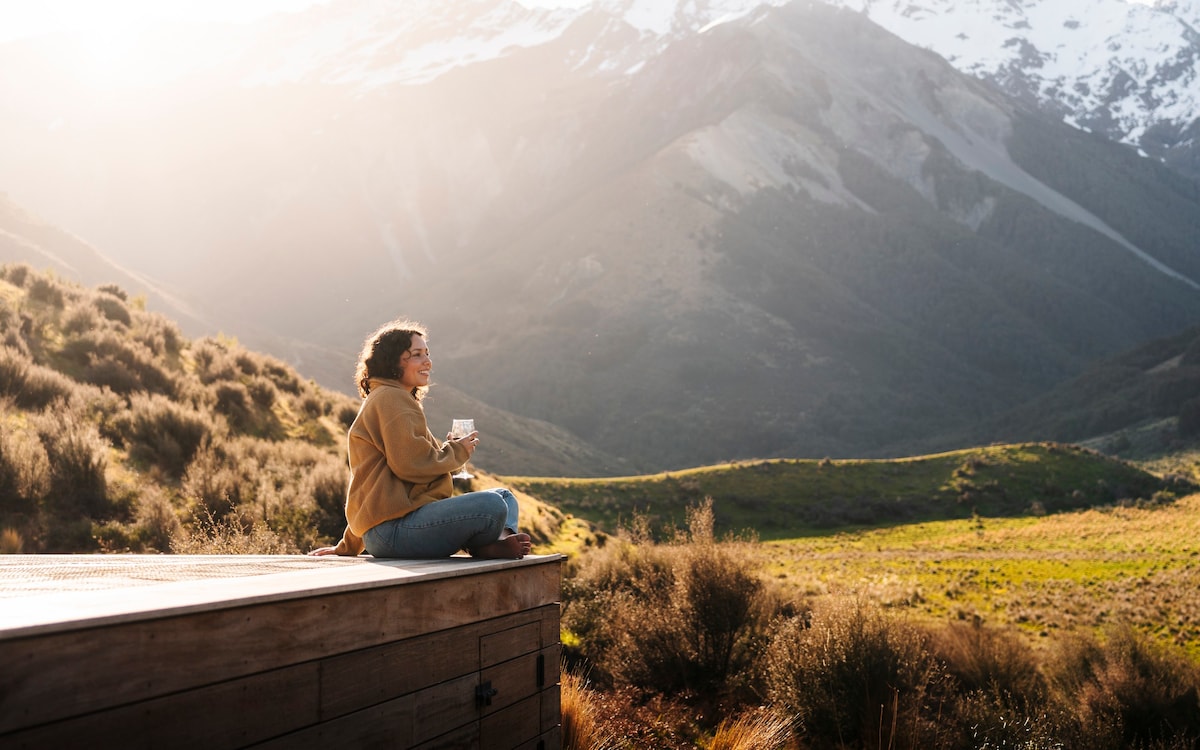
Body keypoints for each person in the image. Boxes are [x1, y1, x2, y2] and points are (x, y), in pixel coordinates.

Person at [309, 319, 531, 559]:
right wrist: (456, 452)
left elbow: (372, 486)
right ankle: (486, 546)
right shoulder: (391, 399)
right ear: (392, 361)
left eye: (427, 353)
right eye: (416, 355)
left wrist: (347, 546)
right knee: (492, 505)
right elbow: (411, 465)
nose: (427, 361)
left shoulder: (388, 397)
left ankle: (495, 544)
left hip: (391, 529)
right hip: (393, 532)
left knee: (504, 497)